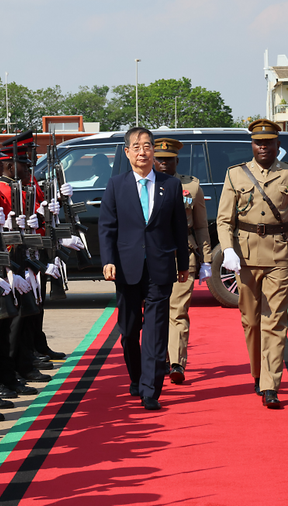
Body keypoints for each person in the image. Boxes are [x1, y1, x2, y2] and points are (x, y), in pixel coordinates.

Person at [216, 119, 288, 409]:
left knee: (275, 320)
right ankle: (257, 373)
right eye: (258, 142)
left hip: (279, 254)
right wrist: (228, 250)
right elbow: (223, 219)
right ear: (252, 145)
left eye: (268, 142)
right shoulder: (235, 175)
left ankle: (271, 384)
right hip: (245, 256)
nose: (263, 147)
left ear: (277, 145)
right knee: (251, 320)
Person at [98, 127, 189, 411]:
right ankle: (137, 377)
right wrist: (108, 260)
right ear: (126, 153)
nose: (142, 151)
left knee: (155, 329)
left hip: (160, 266)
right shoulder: (116, 185)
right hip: (126, 268)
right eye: (136, 146)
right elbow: (107, 227)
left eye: (147, 146)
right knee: (129, 330)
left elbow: (178, 229)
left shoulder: (170, 185)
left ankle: (150, 388)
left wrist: (183, 264)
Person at [153, 138, 212, 384]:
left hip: (183, 254)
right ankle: (159, 358)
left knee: (178, 310)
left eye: (169, 159)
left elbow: (200, 226)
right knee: (156, 310)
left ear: (177, 160)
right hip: (153, 254)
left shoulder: (192, 187)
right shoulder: (144, 185)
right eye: (160, 159)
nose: (164, 163)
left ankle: (176, 362)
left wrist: (206, 260)